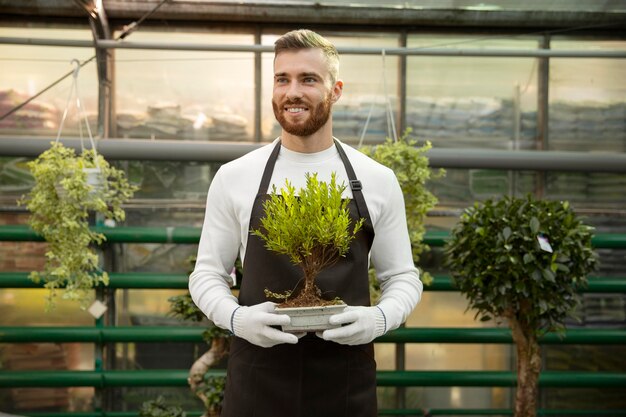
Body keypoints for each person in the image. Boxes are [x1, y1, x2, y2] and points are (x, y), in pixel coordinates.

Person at [189, 29, 422, 417]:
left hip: (344, 383)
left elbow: (403, 277)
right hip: (258, 380)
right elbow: (206, 274)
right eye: (283, 79)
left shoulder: (377, 179)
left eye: (308, 79)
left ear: (336, 90)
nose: (292, 91)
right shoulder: (236, 176)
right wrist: (237, 319)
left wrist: (379, 319)